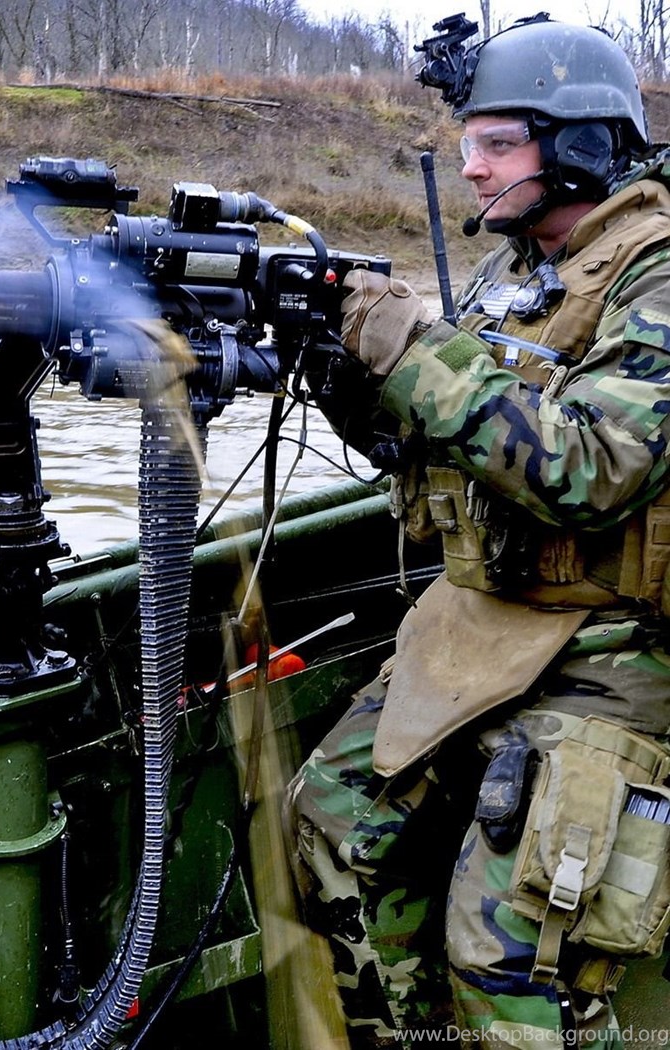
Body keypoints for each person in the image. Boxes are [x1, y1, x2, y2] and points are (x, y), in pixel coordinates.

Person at [288, 13, 670, 1049]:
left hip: (619, 641)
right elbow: (448, 448)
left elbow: (589, 471)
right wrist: (347, 376)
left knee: (507, 949)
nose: (470, 167)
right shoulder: (524, 274)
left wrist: (410, 349)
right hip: (489, 618)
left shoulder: (654, 271)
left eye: (497, 144)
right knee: (333, 827)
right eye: (466, 144)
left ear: (579, 145)